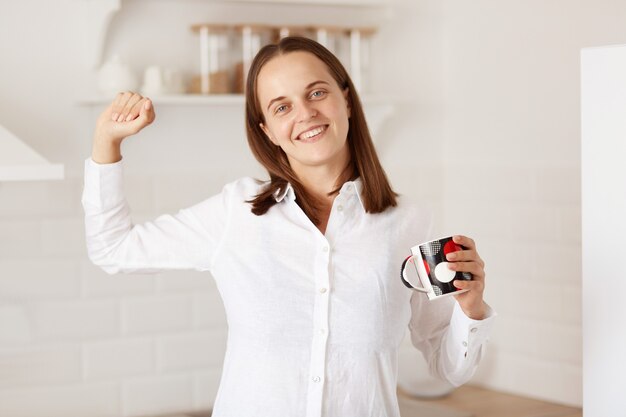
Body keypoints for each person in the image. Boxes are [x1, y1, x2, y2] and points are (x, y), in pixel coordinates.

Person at [82, 36, 495, 417]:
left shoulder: (408, 222)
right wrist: (106, 143)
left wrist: (471, 306)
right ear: (267, 131)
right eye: (282, 106)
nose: (306, 113)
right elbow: (112, 248)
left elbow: (448, 367)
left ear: (346, 100)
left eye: (317, 92)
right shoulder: (235, 212)